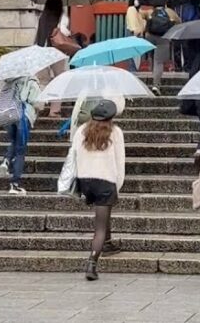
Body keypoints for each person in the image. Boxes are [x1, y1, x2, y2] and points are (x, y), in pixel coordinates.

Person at [73, 99, 126, 281]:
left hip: (86, 180)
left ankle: (108, 243)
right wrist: (117, 185)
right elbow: (120, 161)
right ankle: (92, 263)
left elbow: (74, 154)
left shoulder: (82, 130)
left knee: (103, 215)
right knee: (100, 227)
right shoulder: (115, 132)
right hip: (105, 180)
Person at [0, 75, 45, 195]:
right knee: (20, 151)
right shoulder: (31, 82)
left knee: (13, 141)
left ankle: (6, 160)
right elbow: (37, 103)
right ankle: (15, 184)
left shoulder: (8, 82)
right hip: (23, 117)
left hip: (8, 116)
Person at [143, 2, 178, 95]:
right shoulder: (170, 12)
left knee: (151, 57)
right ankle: (156, 84)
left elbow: (141, 15)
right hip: (163, 38)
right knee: (159, 62)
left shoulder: (150, 11)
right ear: (165, 3)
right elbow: (179, 22)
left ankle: (150, 74)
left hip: (150, 37)